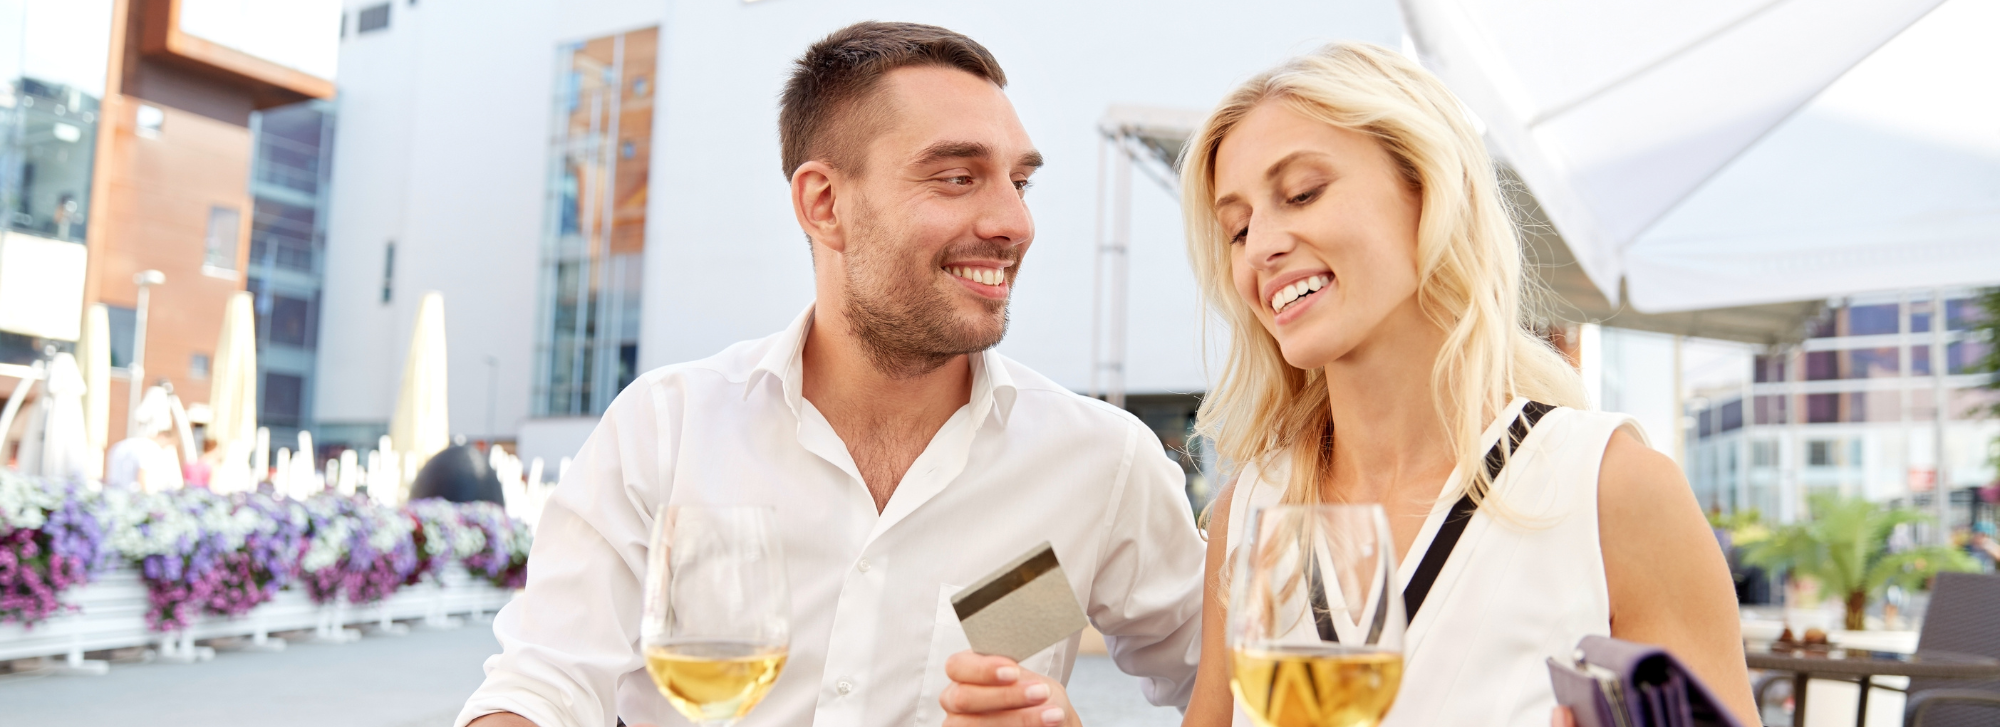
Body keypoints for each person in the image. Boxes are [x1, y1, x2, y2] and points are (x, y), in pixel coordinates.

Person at [458, 22, 1204, 727]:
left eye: (1019, 182)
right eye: (955, 177)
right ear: (824, 205)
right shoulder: (667, 429)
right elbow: (543, 684)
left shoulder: (1100, 464)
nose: (1015, 221)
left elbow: (1231, 687)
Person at [1172, 44, 1761, 726]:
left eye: (1303, 192)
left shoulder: (1610, 489)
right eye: (1237, 228)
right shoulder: (1255, 504)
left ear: (1426, 189)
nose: (1262, 246)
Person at [105, 386, 184, 492]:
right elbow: (143, 475)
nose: (166, 448)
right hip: (133, 500)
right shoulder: (151, 449)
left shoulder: (122, 444)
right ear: (163, 436)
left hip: (113, 497)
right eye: (168, 445)